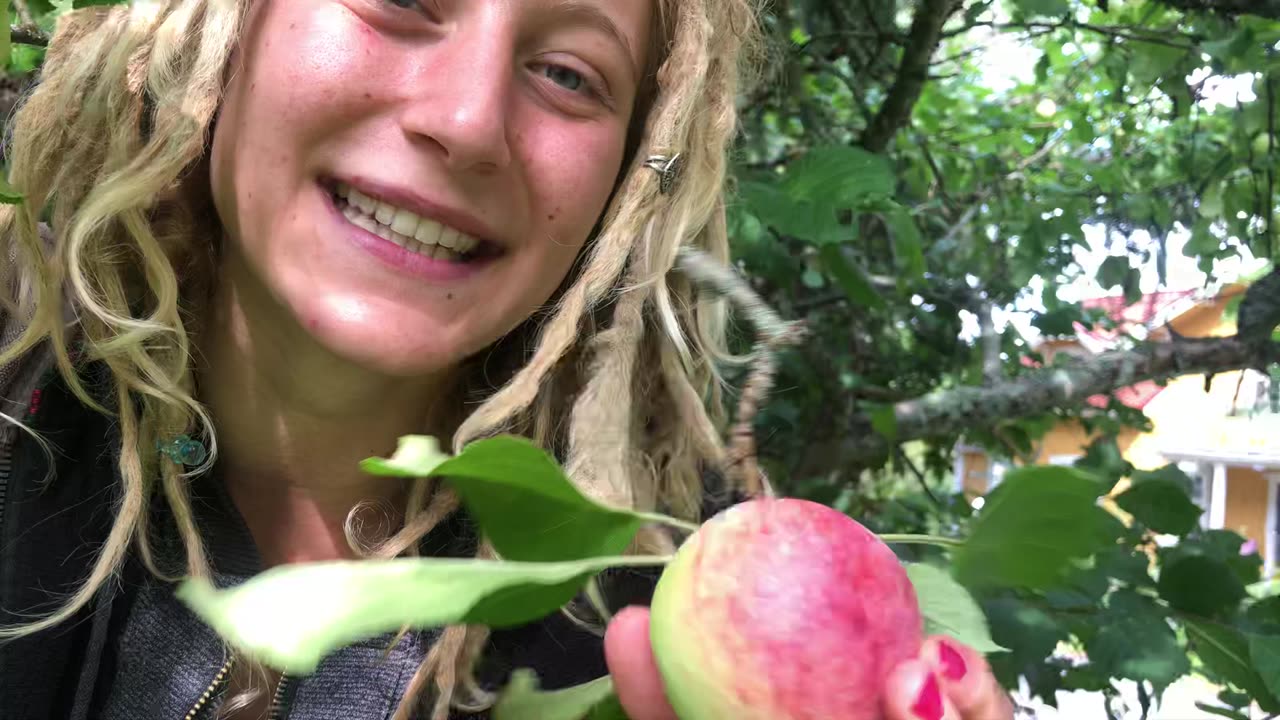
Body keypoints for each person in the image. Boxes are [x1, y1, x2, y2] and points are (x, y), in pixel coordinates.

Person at [0, 2, 1016, 719]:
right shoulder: (22, 407)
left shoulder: (645, 608)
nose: (467, 122)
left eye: (570, 74)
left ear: (625, 183)